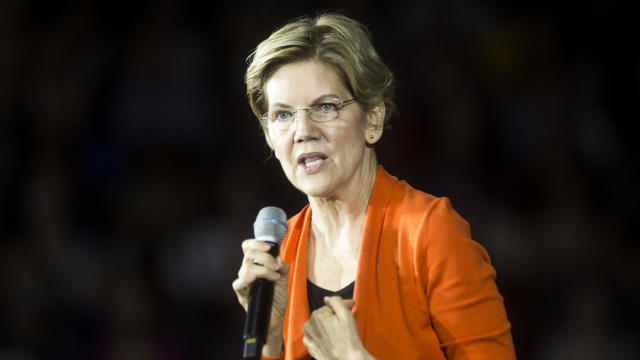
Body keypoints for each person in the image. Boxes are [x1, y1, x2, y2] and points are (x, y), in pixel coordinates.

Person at [232, 13, 516, 360]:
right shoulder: (281, 254)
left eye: (325, 107)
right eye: (283, 115)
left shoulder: (429, 232)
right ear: (270, 138)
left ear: (373, 118)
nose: (303, 131)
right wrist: (271, 336)